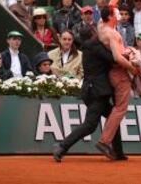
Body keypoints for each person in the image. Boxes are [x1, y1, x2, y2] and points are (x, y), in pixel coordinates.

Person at [53, 25, 127, 162]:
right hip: (96, 92)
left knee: (113, 119)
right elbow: (112, 58)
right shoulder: (93, 45)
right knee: (90, 125)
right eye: (96, 32)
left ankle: (119, 153)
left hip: (95, 91)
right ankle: (62, 146)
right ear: (93, 34)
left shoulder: (91, 46)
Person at [96, 0, 140, 159]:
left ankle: (111, 145)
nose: (120, 14)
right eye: (117, 13)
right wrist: (133, 68)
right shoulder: (112, 34)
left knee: (117, 108)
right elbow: (116, 57)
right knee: (120, 108)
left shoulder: (101, 24)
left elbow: (112, 2)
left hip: (112, 72)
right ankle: (104, 141)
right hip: (119, 73)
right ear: (112, 16)